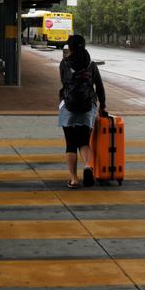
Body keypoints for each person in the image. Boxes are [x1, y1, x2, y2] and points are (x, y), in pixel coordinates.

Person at [58, 34, 106, 189]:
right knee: (84, 142)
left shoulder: (65, 63)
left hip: (69, 107)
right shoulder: (91, 64)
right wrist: (102, 106)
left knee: (71, 144)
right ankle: (87, 166)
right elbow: (99, 87)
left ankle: (73, 179)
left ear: (69, 47)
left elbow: (64, 83)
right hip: (87, 107)